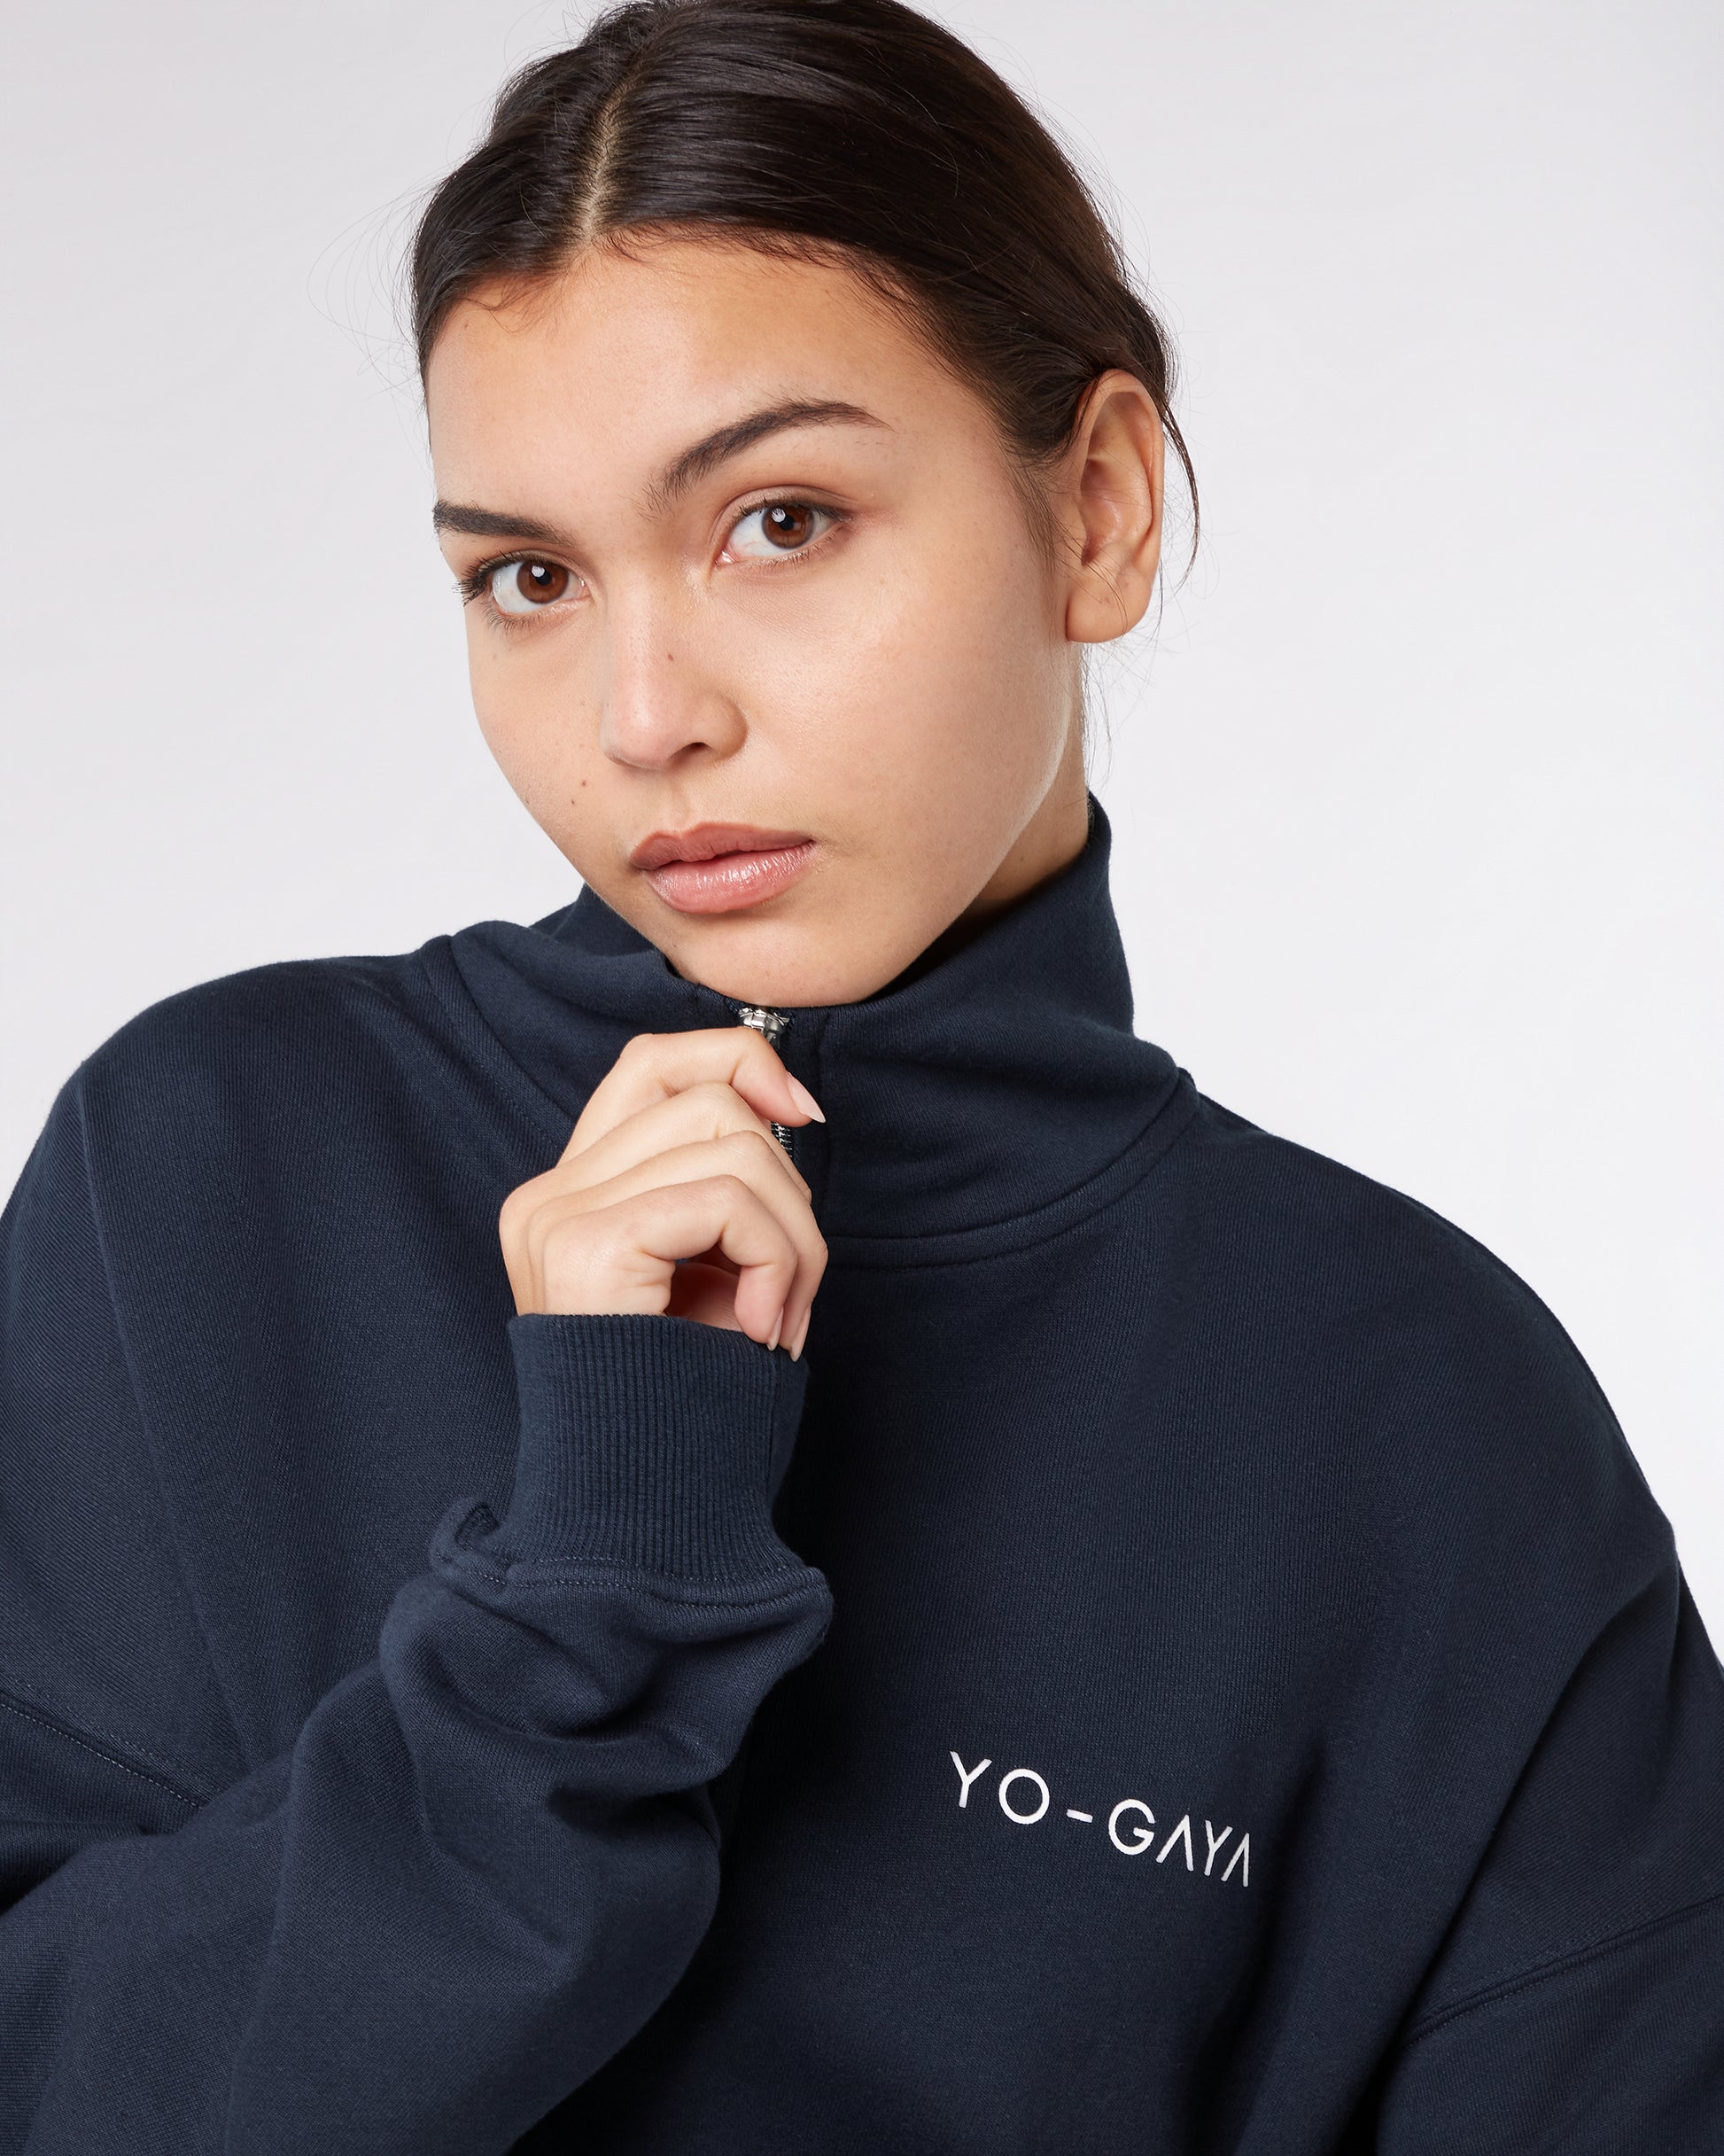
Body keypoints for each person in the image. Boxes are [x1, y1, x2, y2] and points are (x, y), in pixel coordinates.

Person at [2, 0, 1720, 2147]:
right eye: (528, 577)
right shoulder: (213, 1175)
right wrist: (579, 1594)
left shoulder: (1422, 1409)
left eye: (782, 520)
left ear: (1096, 510)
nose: (644, 715)